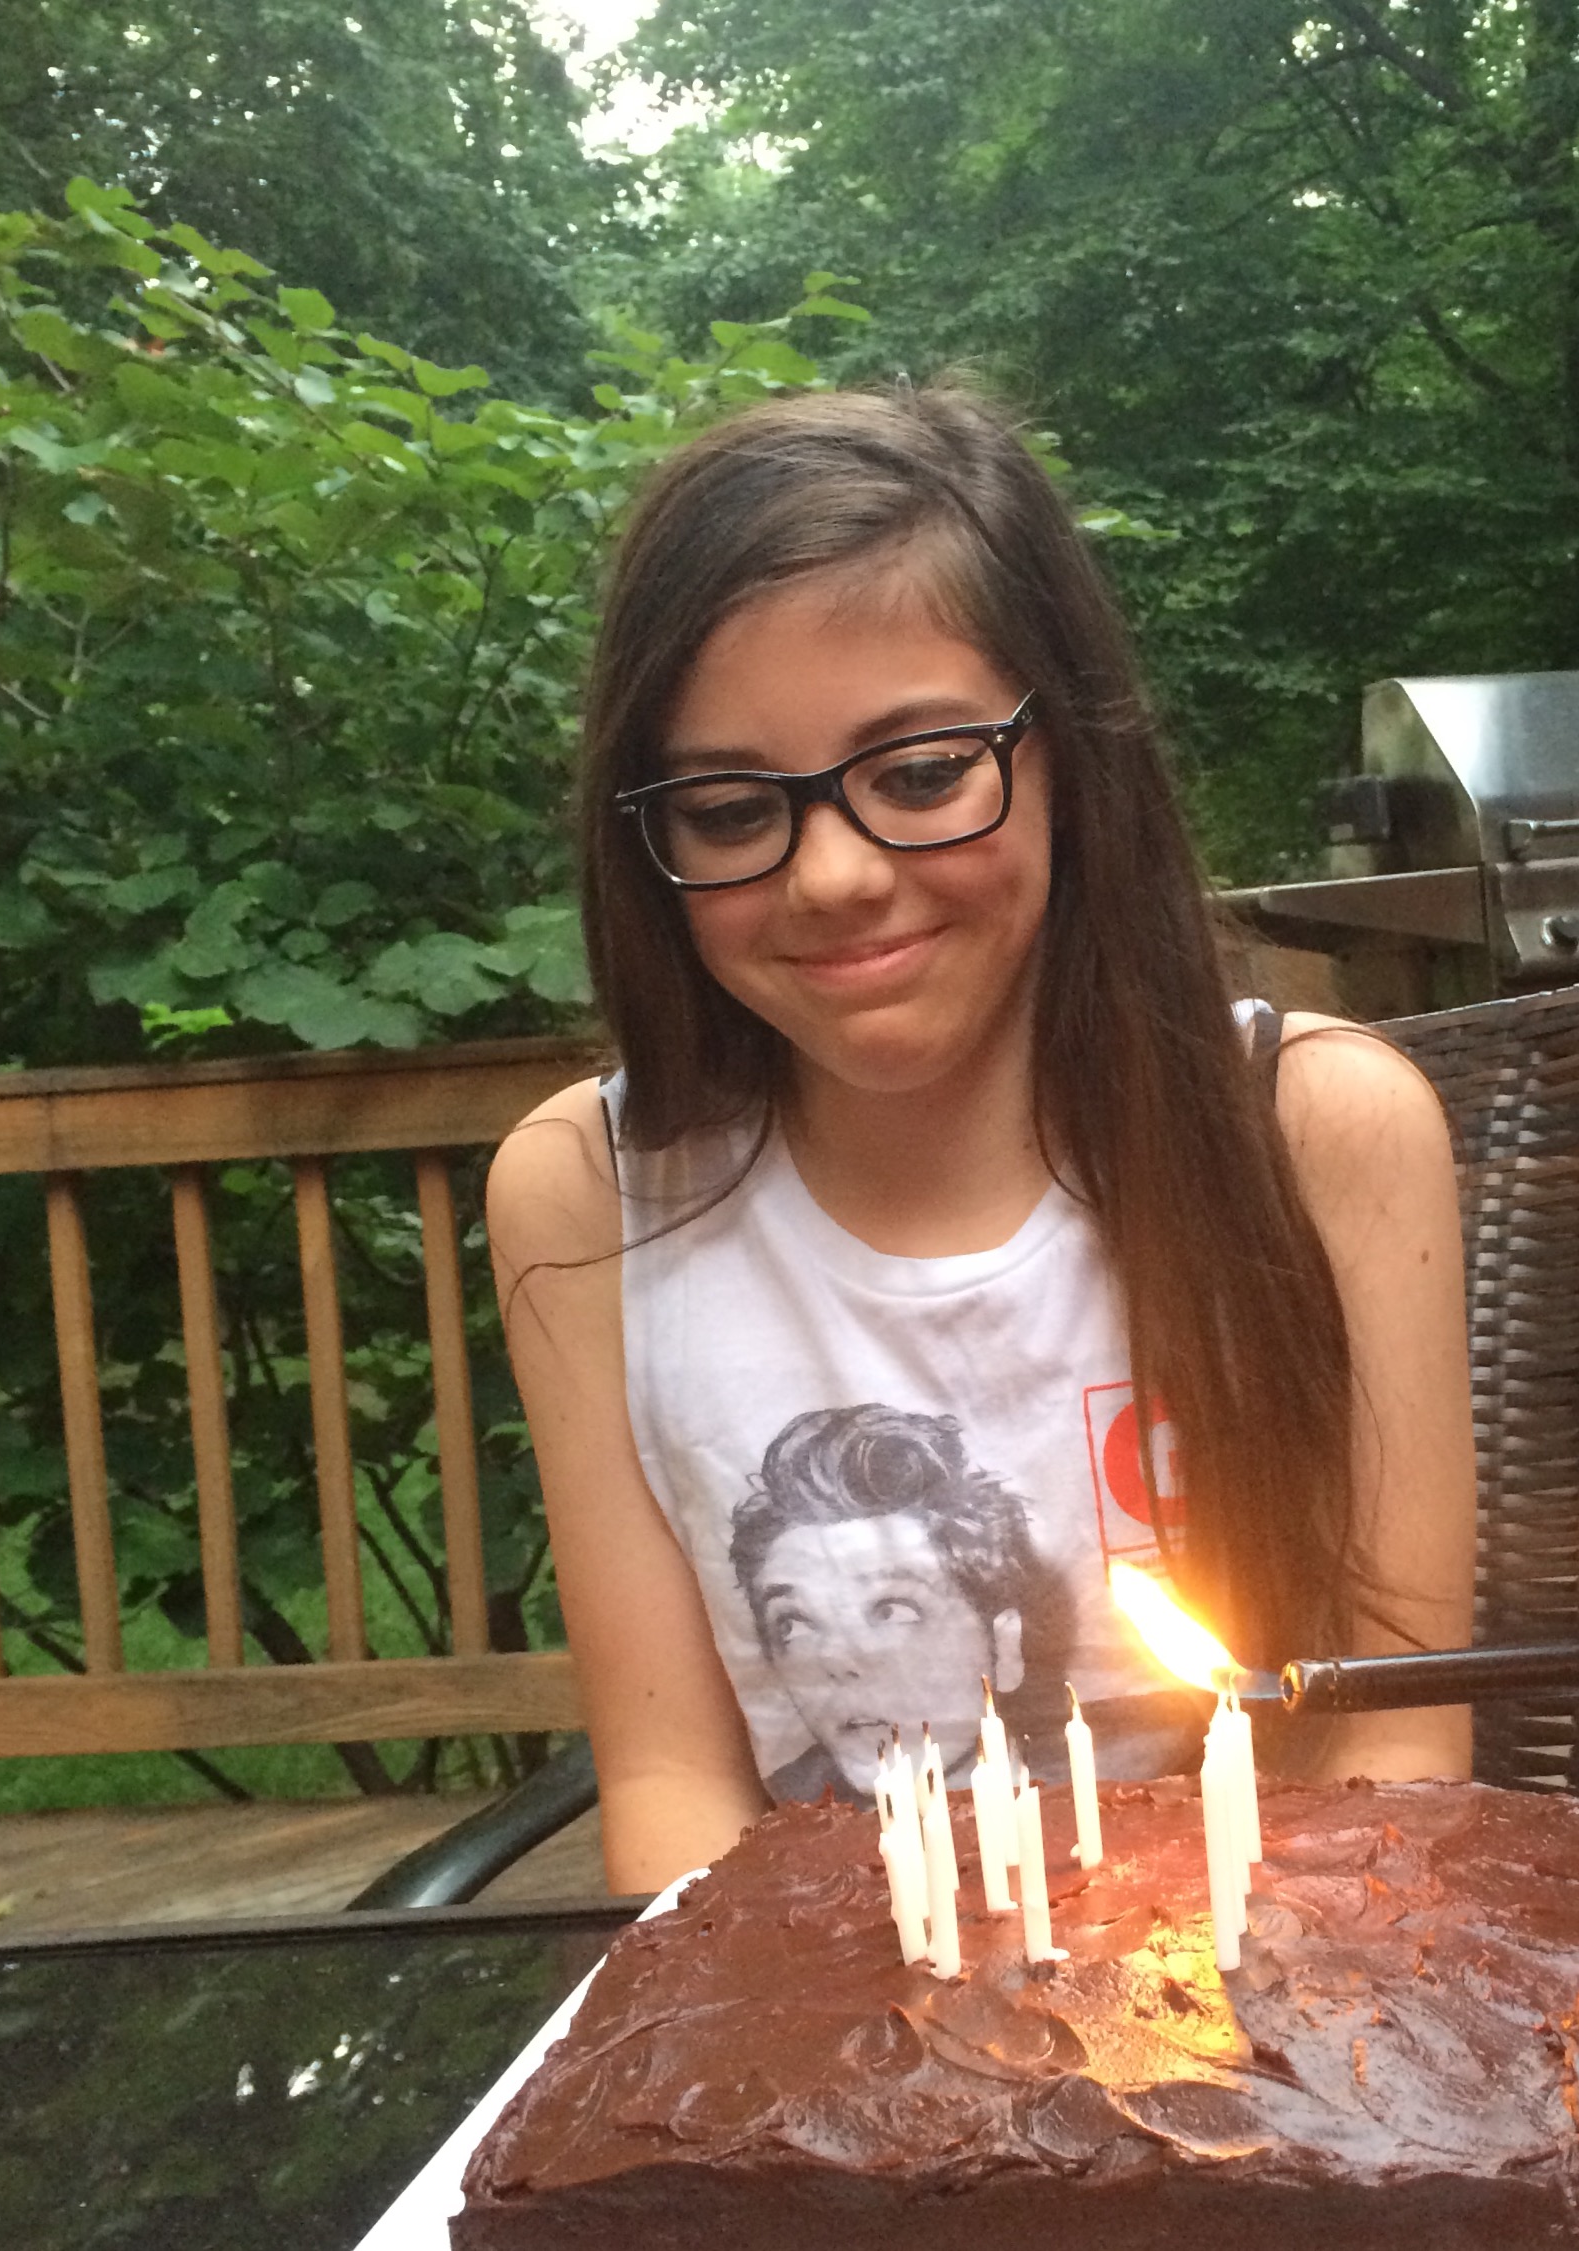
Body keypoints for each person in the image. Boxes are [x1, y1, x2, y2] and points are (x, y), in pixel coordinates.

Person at [487, 386, 1476, 1896]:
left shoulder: (1320, 1131)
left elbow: (1393, 1742)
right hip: (823, 2005)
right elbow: (674, 1779)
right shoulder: (586, 1195)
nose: (831, 874)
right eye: (730, 807)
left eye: (922, 774)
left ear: (1069, 751)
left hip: (1278, 1989)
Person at [728, 1402, 1078, 1801]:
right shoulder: (777, 1821)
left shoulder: (1107, 1793)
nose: (836, 1659)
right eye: (793, 1623)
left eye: (891, 1610)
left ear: (1006, 1647)